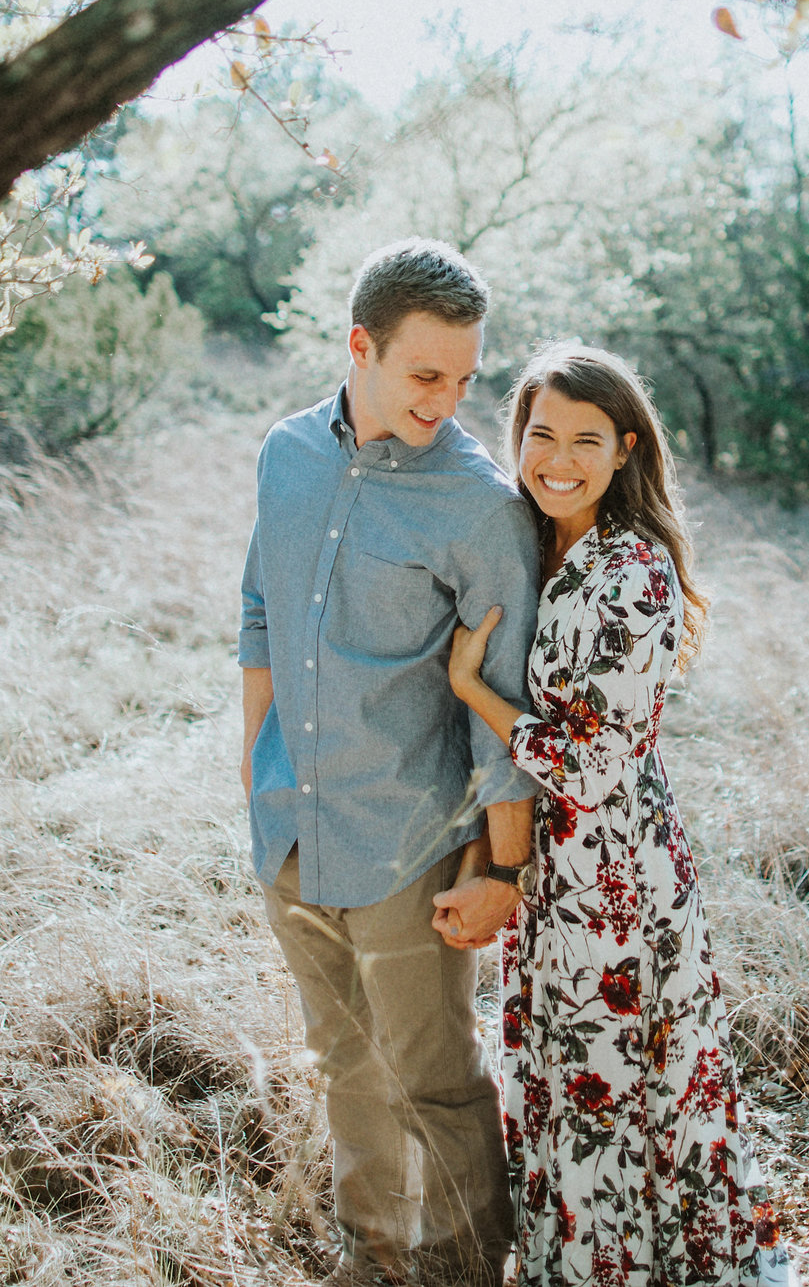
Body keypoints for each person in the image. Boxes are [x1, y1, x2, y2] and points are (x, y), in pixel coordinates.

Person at [240, 239, 543, 1285]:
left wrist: (499, 868)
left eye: (464, 379)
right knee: (346, 1066)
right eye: (425, 375)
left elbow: (505, 708)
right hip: (291, 829)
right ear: (359, 346)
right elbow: (259, 614)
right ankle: (372, 1260)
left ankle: (462, 1270)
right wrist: (255, 783)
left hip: (411, 845)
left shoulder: (480, 505)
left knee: (435, 1080)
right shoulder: (286, 453)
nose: (446, 402)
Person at [446, 342, 774, 1286]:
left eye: (585, 440)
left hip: (615, 874)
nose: (558, 458)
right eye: (541, 434)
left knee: (614, 1080)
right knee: (561, 1071)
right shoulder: (534, 541)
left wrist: (474, 689)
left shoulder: (632, 571)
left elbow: (589, 767)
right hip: (551, 865)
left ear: (626, 447)